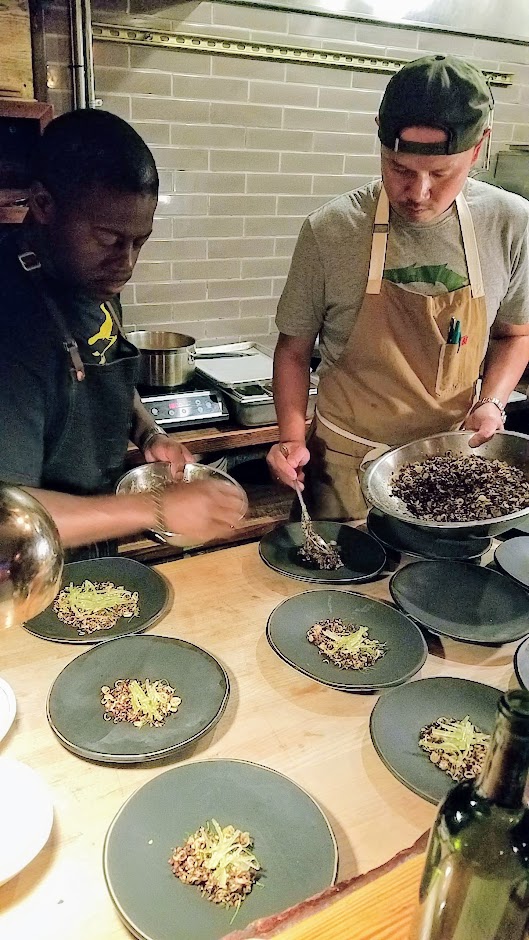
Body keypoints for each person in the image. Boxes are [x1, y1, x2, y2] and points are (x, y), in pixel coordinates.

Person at [267, 55, 529, 520]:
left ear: (478, 149)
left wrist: (491, 403)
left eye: (441, 174)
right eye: (399, 168)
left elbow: (514, 335)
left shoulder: (511, 223)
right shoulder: (331, 229)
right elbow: (293, 349)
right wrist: (290, 435)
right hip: (343, 465)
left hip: (450, 465)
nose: (418, 192)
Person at [0, 109, 244, 556]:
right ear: (43, 205)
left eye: (140, 242)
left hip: (90, 541)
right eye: (110, 239)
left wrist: (151, 435)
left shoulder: (91, 276)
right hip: (24, 569)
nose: (127, 263)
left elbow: (101, 364)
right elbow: (4, 517)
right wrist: (150, 509)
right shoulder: (12, 322)